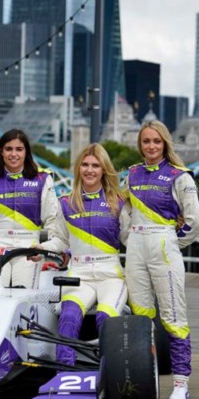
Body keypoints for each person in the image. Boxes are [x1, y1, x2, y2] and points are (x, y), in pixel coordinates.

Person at [123, 120, 199, 399]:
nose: (151, 146)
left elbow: (195, 222)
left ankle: (181, 382)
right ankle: (146, 375)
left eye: (157, 141)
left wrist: (170, 242)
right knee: (140, 315)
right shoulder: (132, 174)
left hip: (164, 245)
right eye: (146, 141)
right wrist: (129, 238)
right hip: (135, 247)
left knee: (173, 316)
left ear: (165, 143)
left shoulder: (180, 176)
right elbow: (123, 210)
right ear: (140, 144)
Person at [55, 143, 131, 366]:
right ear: (78, 168)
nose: (89, 170)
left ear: (104, 170)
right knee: (68, 317)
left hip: (111, 277)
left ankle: (110, 371)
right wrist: (42, 251)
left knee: (104, 319)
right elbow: (59, 240)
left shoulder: (118, 202)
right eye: (85, 165)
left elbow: (131, 239)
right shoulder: (65, 203)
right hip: (79, 275)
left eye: (95, 165)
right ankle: (64, 370)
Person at [0, 128, 67, 288]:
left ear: (26, 152)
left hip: (30, 247)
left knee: (23, 296)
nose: (13, 154)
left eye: (19, 149)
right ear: (1, 152)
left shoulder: (42, 178)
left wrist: (46, 248)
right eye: (8, 149)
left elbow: (53, 219)